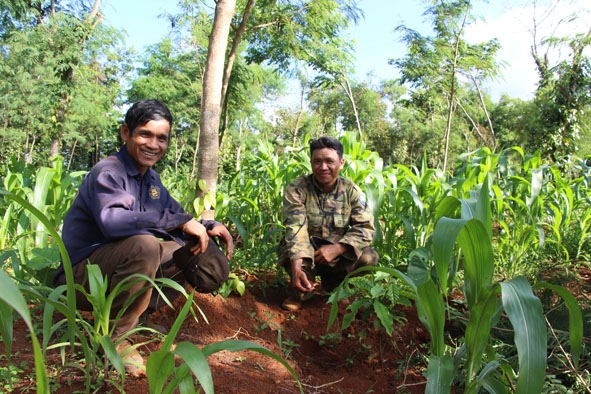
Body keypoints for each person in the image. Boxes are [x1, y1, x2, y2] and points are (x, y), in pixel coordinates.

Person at [54, 99, 234, 374]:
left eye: (161, 138)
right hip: (81, 278)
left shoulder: (151, 180)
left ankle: (137, 318)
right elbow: (112, 223)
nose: (153, 144)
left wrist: (210, 225)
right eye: (145, 134)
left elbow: (177, 216)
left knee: (197, 249)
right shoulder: (109, 172)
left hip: (116, 268)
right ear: (126, 133)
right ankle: (115, 339)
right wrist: (181, 222)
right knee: (146, 246)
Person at [277, 136, 379, 311]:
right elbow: (296, 229)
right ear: (311, 162)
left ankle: (338, 287)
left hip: (338, 253)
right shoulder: (297, 189)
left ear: (341, 163)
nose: (323, 167)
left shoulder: (351, 191)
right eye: (317, 161)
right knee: (289, 250)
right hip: (308, 252)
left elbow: (365, 228)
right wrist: (296, 265)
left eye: (329, 161)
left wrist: (338, 248)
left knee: (369, 257)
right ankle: (298, 289)